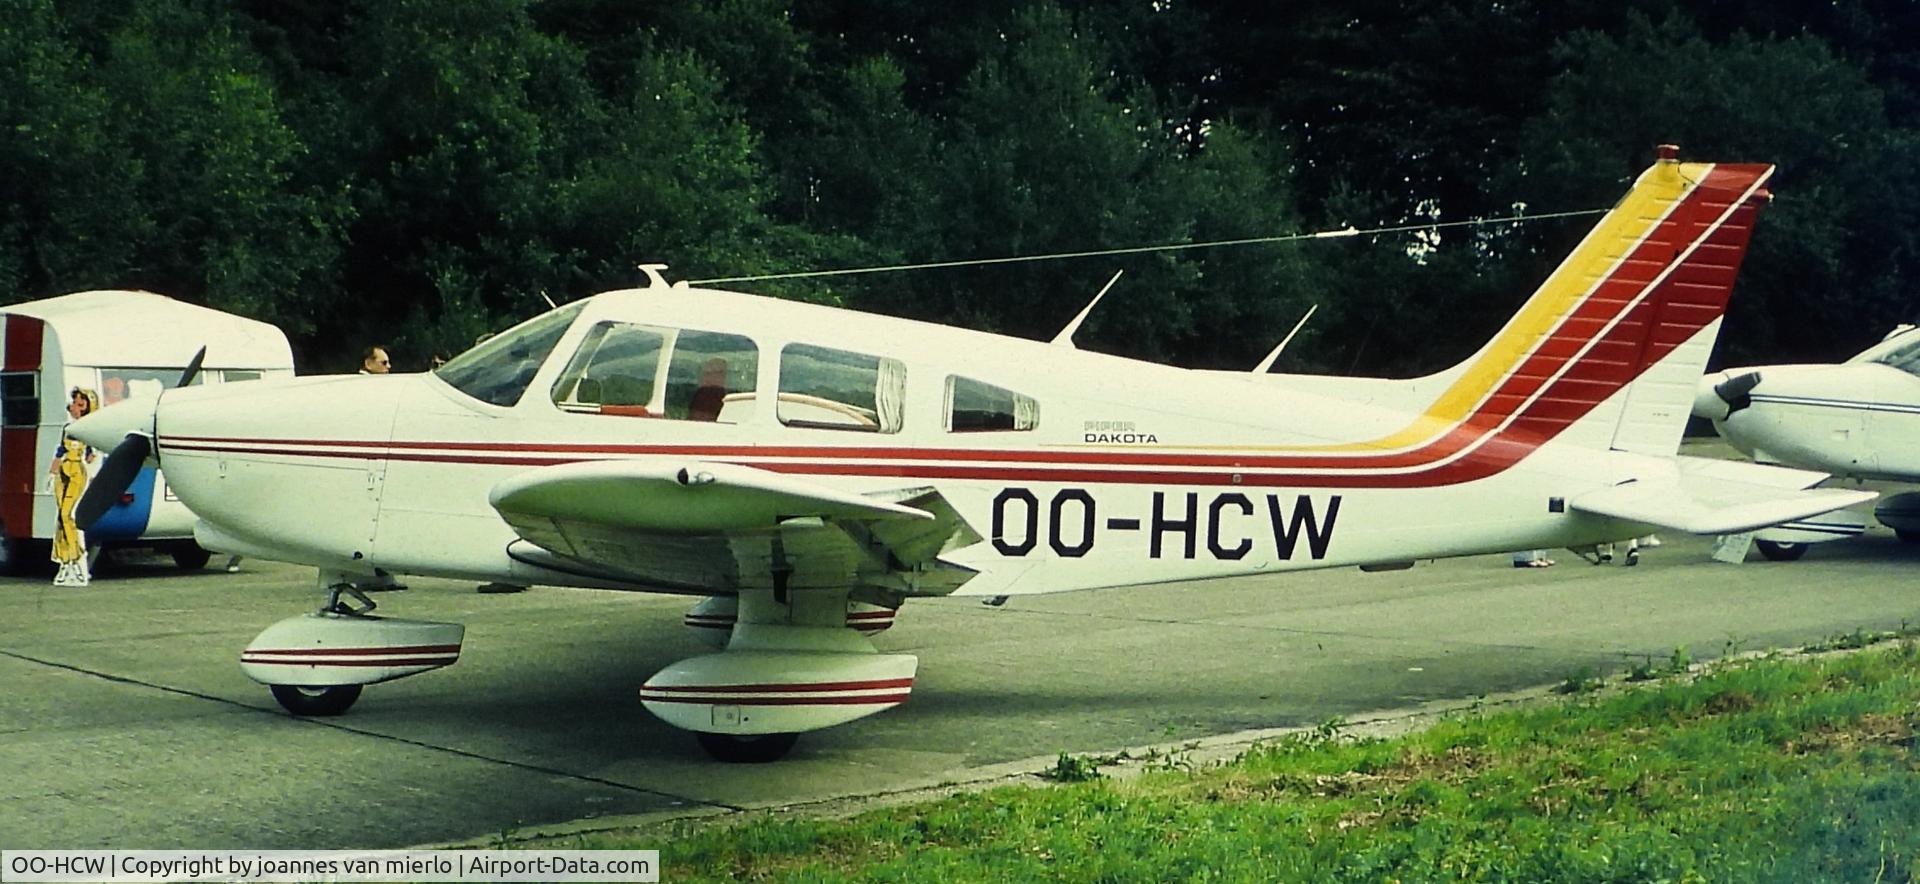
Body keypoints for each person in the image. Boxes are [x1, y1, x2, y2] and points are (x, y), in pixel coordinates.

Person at [49, 387, 100, 586]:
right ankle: (66, 564)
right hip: (63, 471)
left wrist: (93, 463)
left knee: (67, 515)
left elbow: (91, 454)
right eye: (75, 403)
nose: (75, 407)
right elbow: (60, 451)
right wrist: (52, 473)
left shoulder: (87, 429)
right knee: (61, 518)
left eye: (81, 404)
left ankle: (76, 559)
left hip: (77, 471)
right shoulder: (67, 428)